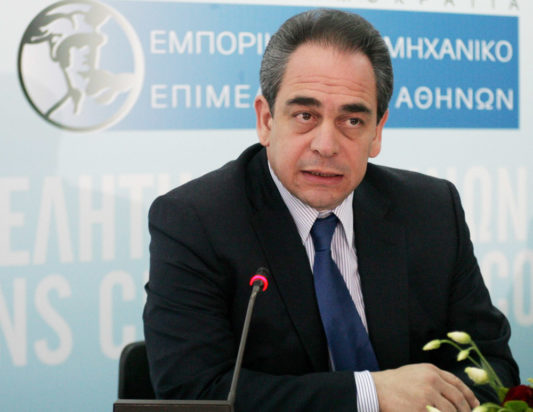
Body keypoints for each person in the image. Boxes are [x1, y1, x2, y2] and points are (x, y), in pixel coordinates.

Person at [143, 9, 519, 412]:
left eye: (352, 121)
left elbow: (492, 369)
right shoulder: (195, 221)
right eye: (305, 116)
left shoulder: (432, 211)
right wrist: (371, 394)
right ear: (266, 120)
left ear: (377, 132)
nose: (326, 145)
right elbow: (194, 394)